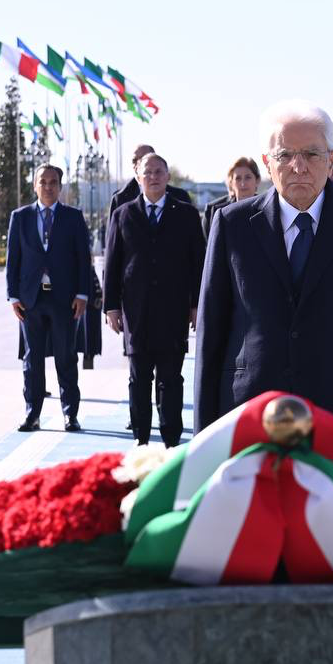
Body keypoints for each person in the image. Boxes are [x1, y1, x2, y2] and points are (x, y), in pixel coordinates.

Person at [194, 100, 333, 442]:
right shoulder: (232, 225)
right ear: (267, 161)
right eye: (284, 155)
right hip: (250, 417)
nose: (298, 167)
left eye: (311, 154)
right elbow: (211, 335)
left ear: (331, 157)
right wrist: (204, 441)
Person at [105, 153, 205, 446]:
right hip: (136, 313)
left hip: (173, 312)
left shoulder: (186, 214)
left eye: (159, 172)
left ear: (167, 176)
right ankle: (141, 439)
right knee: (139, 379)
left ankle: (172, 439)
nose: (153, 177)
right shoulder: (122, 214)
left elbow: (198, 263)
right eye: (147, 172)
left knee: (171, 379)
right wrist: (111, 306)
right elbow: (112, 263)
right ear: (138, 176)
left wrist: (197, 304)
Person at [7, 164, 91, 433]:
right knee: (32, 359)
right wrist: (12, 296)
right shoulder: (20, 217)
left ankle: (70, 414)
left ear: (60, 186)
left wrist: (82, 294)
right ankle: (32, 414)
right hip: (30, 300)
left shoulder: (73, 217)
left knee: (66, 357)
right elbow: (13, 260)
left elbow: (83, 260)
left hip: (64, 299)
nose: (48, 186)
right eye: (42, 182)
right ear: (34, 185)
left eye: (53, 182)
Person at [109, 143, 192, 222]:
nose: (138, 164)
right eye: (134, 160)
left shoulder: (180, 197)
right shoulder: (120, 199)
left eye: (143, 159)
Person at [204, 157, 261, 243]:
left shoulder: (269, 209)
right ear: (231, 183)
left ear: (257, 180)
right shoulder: (214, 211)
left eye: (248, 177)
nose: (243, 183)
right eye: (238, 178)